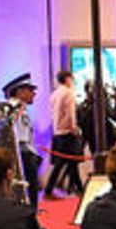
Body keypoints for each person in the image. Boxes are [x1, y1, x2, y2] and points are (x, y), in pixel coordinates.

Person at [0, 74, 43, 207]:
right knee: (28, 193)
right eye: (30, 90)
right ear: (20, 91)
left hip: (24, 153)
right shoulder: (15, 108)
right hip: (23, 155)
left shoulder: (18, 108)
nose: (34, 94)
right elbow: (18, 138)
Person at [44, 70, 84, 199]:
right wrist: (74, 128)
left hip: (58, 132)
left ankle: (79, 189)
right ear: (67, 79)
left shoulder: (54, 94)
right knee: (64, 162)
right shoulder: (68, 93)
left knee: (70, 163)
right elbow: (71, 114)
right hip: (67, 132)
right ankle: (49, 189)